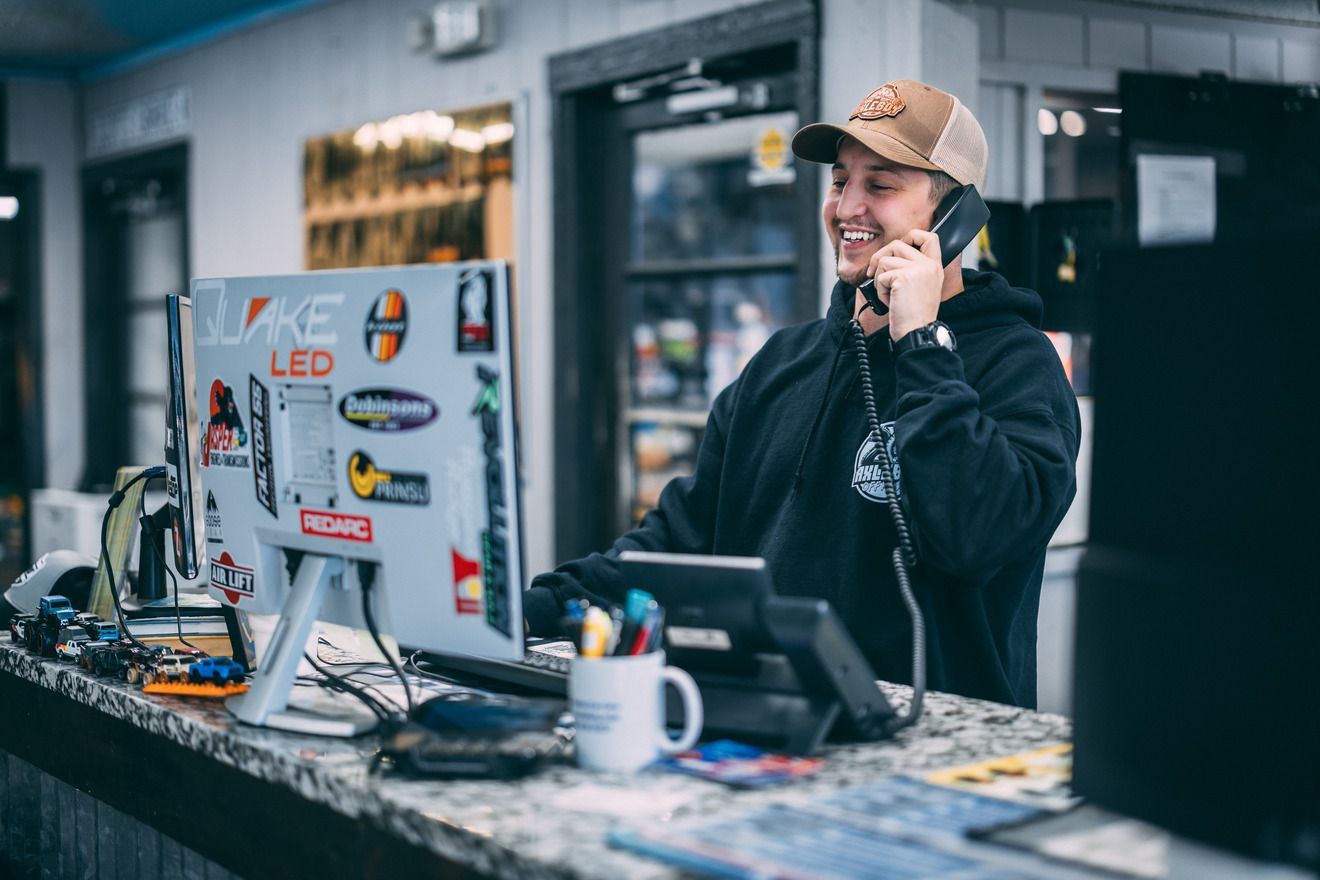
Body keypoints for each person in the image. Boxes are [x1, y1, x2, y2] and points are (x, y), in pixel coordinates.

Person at [525, 80, 1080, 709]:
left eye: (882, 185)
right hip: (770, 728)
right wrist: (534, 609)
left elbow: (978, 535)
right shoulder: (781, 364)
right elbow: (677, 541)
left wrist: (921, 342)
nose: (847, 208)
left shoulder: (1016, 362)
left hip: (935, 749)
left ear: (954, 218)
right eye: (841, 181)